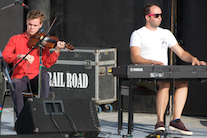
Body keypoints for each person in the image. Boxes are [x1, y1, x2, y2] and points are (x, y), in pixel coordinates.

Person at [130, 4, 206, 136]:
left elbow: (181, 54)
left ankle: (175, 120)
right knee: (164, 82)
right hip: (145, 76)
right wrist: (151, 62)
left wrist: (194, 59)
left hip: (163, 74)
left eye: (161, 15)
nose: (160, 18)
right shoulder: (138, 34)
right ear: (148, 17)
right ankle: (160, 122)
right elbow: (135, 58)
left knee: (182, 82)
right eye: (157, 15)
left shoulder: (166, 33)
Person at [2, 10, 69, 118]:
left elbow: (47, 63)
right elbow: (5, 56)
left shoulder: (43, 42)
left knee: (44, 76)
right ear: (26, 22)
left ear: (40, 25)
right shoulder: (15, 39)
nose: (32, 28)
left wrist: (56, 50)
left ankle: (42, 116)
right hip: (19, 78)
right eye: (30, 24)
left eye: (35, 25)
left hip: (34, 79)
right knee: (14, 83)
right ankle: (21, 120)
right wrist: (20, 55)